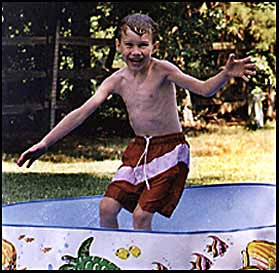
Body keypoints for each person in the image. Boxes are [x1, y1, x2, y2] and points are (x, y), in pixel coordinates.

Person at [17, 13, 256, 230]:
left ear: (154, 46)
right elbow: (82, 112)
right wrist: (45, 143)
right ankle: (115, 259)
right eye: (129, 45)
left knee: (141, 217)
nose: (136, 52)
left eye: (143, 45)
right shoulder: (116, 81)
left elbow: (203, 89)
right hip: (139, 149)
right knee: (107, 209)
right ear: (118, 45)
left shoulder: (163, 70)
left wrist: (225, 74)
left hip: (170, 149)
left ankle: (145, 264)